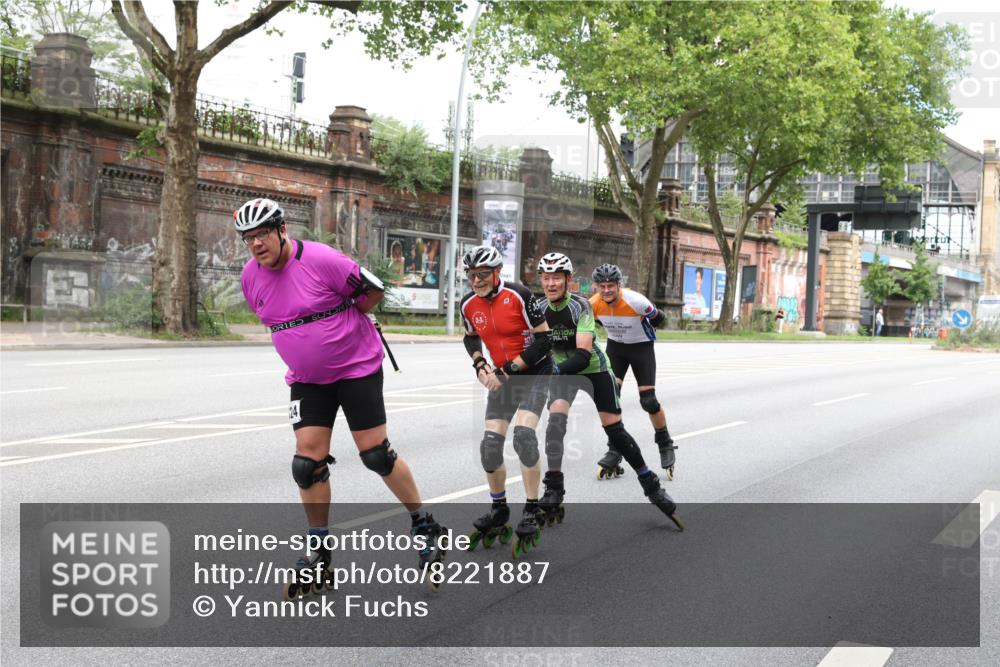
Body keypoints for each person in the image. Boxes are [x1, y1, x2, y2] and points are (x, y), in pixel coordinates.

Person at [235, 198, 445, 594]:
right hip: (308, 378)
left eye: (262, 233)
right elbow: (275, 319)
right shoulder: (251, 276)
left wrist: (348, 317)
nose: (256, 244)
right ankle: (318, 548)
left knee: (375, 454)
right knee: (305, 464)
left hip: (357, 367)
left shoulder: (320, 259)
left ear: (282, 231)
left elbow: (373, 289)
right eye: (249, 238)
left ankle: (424, 523)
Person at [538, 253, 683, 530]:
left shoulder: (586, 306)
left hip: (599, 365)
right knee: (555, 424)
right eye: (546, 278)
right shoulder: (544, 307)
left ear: (568, 280)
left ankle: (652, 482)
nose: (551, 283)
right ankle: (554, 487)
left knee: (624, 419)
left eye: (557, 278)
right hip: (577, 365)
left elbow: (582, 356)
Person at [460, 245, 553, 558]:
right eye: (472, 275)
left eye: (483, 274)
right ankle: (499, 509)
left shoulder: (520, 295)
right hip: (501, 376)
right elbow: (471, 336)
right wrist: (479, 363)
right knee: (489, 447)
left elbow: (544, 340)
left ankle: (531, 508)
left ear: (497, 272)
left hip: (535, 372)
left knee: (524, 437)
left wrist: (507, 369)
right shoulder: (468, 304)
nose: (477, 280)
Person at [589, 263, 679, 480]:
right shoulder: (592, 305)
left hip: (641, 348)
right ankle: (615, 449)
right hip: (616, 349)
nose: (607, 290)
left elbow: (660, 319)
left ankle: (664, 441)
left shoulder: (636, 301)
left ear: (619, 285)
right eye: (602, 286)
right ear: (596, 287)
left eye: (611, 285)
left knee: (648, 401)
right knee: (610, 398)